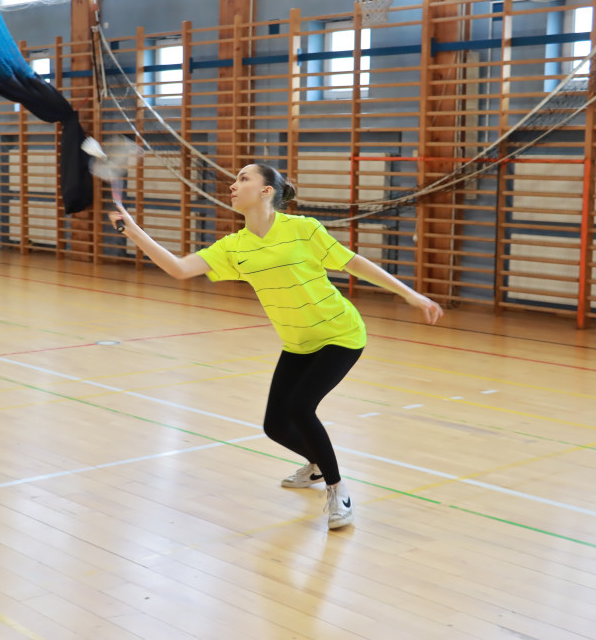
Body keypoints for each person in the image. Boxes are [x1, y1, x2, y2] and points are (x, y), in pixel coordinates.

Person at [109, 163, 443, 530]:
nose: (233, 185)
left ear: (267, 191)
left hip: (339, 335)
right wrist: (132, 229)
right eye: (235, 180)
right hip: (298, 343)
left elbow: (354, 263)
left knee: (300, 408)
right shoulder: (234, 247)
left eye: (243, 178)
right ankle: (316, 464)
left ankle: (338, 490)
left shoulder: (302, 229)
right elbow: (179, 268)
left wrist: (410, 294)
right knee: (275, 426)